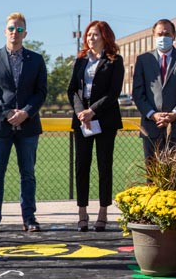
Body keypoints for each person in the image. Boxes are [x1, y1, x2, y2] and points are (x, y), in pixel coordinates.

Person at [0, 12, 47, 233]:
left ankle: (29, 218)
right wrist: (7, 113)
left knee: (27, 173)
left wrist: (26, 112)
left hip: (28, 126)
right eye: (10, 28)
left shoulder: (36, 60)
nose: (14, 33)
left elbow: (41, 92)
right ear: (4, 31)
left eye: (18, 29)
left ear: (25, 33)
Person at [67, 20, 124, 232]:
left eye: (96, 35)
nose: (91, 38)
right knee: (82, 166)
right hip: (82, 120)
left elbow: (113, 92)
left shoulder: (115, 61)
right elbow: (72, 90)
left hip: (105, 120)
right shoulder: (80, 60)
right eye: (89, 35)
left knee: (104, 166)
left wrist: (93, 111)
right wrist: (82, 112)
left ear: (105, 37)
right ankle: (82, 213)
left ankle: (103, 212)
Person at [132, 19, 176, 188]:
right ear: (153, 36)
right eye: (160, 34)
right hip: (151, 128)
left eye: (167, 34)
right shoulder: (143, 60)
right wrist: (153, 114)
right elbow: (138, 93)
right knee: (153, 178)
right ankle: (154, 212)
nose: (163, 37)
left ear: (174, 35)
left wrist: (175, 114)